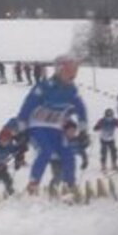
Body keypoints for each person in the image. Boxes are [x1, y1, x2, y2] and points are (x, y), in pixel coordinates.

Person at [15, 55, 89, 195]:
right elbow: (26, 107)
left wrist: (83, 131)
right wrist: (22, 131)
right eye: (69, 71)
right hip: (38, 127)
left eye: (75, 72)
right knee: (45, 151)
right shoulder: (44, 87)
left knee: (68, 154)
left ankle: (70, 186)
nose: (73, 76)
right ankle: (33, 184)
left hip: (56, 128)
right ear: (60, 70)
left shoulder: (71, 90)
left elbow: (81, 110)